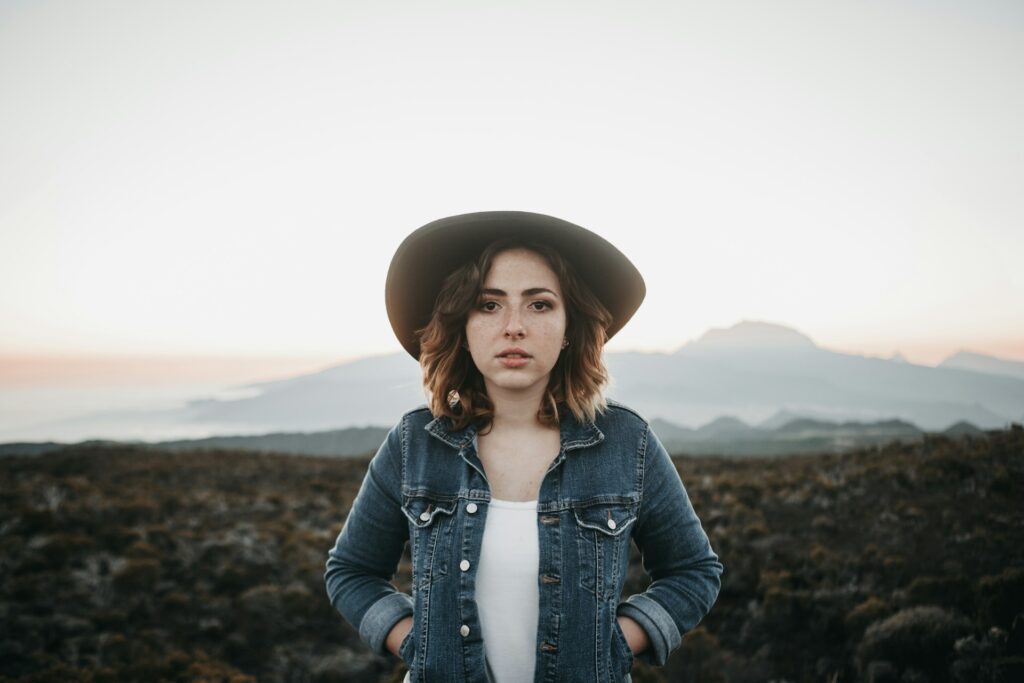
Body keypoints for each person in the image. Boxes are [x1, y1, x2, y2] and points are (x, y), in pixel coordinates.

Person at [324, 211, 723, 683]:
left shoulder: (626, 443)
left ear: (570, 324)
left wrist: (616, 643)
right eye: (488, 305)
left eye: (539, 305)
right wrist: (417, 642)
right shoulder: (415, 444)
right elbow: (350, 571)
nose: (513, 326)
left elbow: (694, 571)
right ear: (463, 328)